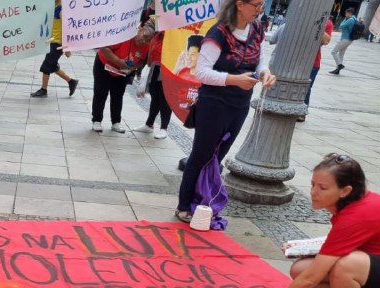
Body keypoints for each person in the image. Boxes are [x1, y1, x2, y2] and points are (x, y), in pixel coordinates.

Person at [250, 154, 380, 288]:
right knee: (299, 268)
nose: (313, 192)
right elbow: (340, 242)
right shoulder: (356, 202)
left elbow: (312, 277)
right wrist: (304, 248)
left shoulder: (355, 216)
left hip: (370, 265)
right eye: (312, 184)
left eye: (322, 188)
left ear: (345, 191)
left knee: (346, 265)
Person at [174, 0, 276, 223]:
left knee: (218, 156)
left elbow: (259, 60)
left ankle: (203, 203)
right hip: (214, 104)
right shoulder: (219, 32)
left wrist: (265, 73)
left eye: (262, 4)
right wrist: (232, 79)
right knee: (201, 155)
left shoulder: (257, 27)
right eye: (256, 4)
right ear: (240, 4)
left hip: (239, 104)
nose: (260, 10)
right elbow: (201, 72)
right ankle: (184, 205)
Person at [91, 23, 155, 133]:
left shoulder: (146, 47)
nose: (144, 41)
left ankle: (116, 122)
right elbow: (104, 48)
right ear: (139, 30)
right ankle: (97, 120)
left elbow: (140, 60)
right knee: (100, 92)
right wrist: (118, 61)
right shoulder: (123, 36)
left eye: (148, 40)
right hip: (104, 65)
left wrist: (132, 69)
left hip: (121, 72)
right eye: (144, 37)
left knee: (118, 94)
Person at [30, 0, 79, 98]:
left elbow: (68, 29)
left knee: (47, 65)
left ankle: (44, 90)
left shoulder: (62, 10)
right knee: (52, 65)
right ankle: (71, 81)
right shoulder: (55, 7)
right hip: (53, 41)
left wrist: (67, 47)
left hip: (58, 43)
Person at [134, 28, 171, 139]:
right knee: (155, 96)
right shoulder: (157, 33)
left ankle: (164, 128)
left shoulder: (171, 34)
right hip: (155, 66)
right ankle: (149, 124)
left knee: (165, 99)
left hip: (167, 67)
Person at [330, 8, 357, 74]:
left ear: (350, 13)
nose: (345, 14)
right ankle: (337, 70)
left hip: (345, 38)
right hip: (349, 39)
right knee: (341, 54)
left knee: (333, 52)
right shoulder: (354, 19)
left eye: (346, 13)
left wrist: (345, 19)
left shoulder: (350, 20)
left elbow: (341, 26)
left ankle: (340, 65)